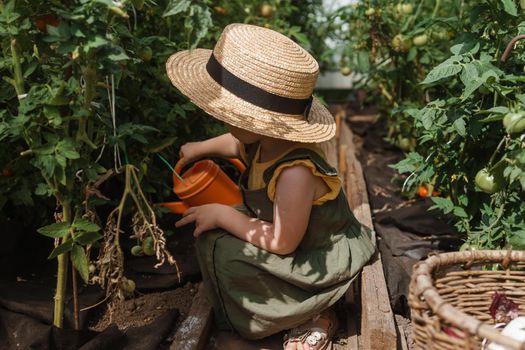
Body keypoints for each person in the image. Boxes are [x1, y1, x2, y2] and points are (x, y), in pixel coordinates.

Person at [166, 23, 376, 350]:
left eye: (233, 115)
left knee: (227, 254)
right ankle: (273, 303)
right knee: (212, 241)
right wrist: (200, 147)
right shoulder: (263, 139)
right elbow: (237, 144)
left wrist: (222, 215)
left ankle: (314, 311)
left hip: (315, 255)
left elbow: (282, 242)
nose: (226, 121)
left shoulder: (295, 172)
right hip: (294, 238)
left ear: (258, 121)